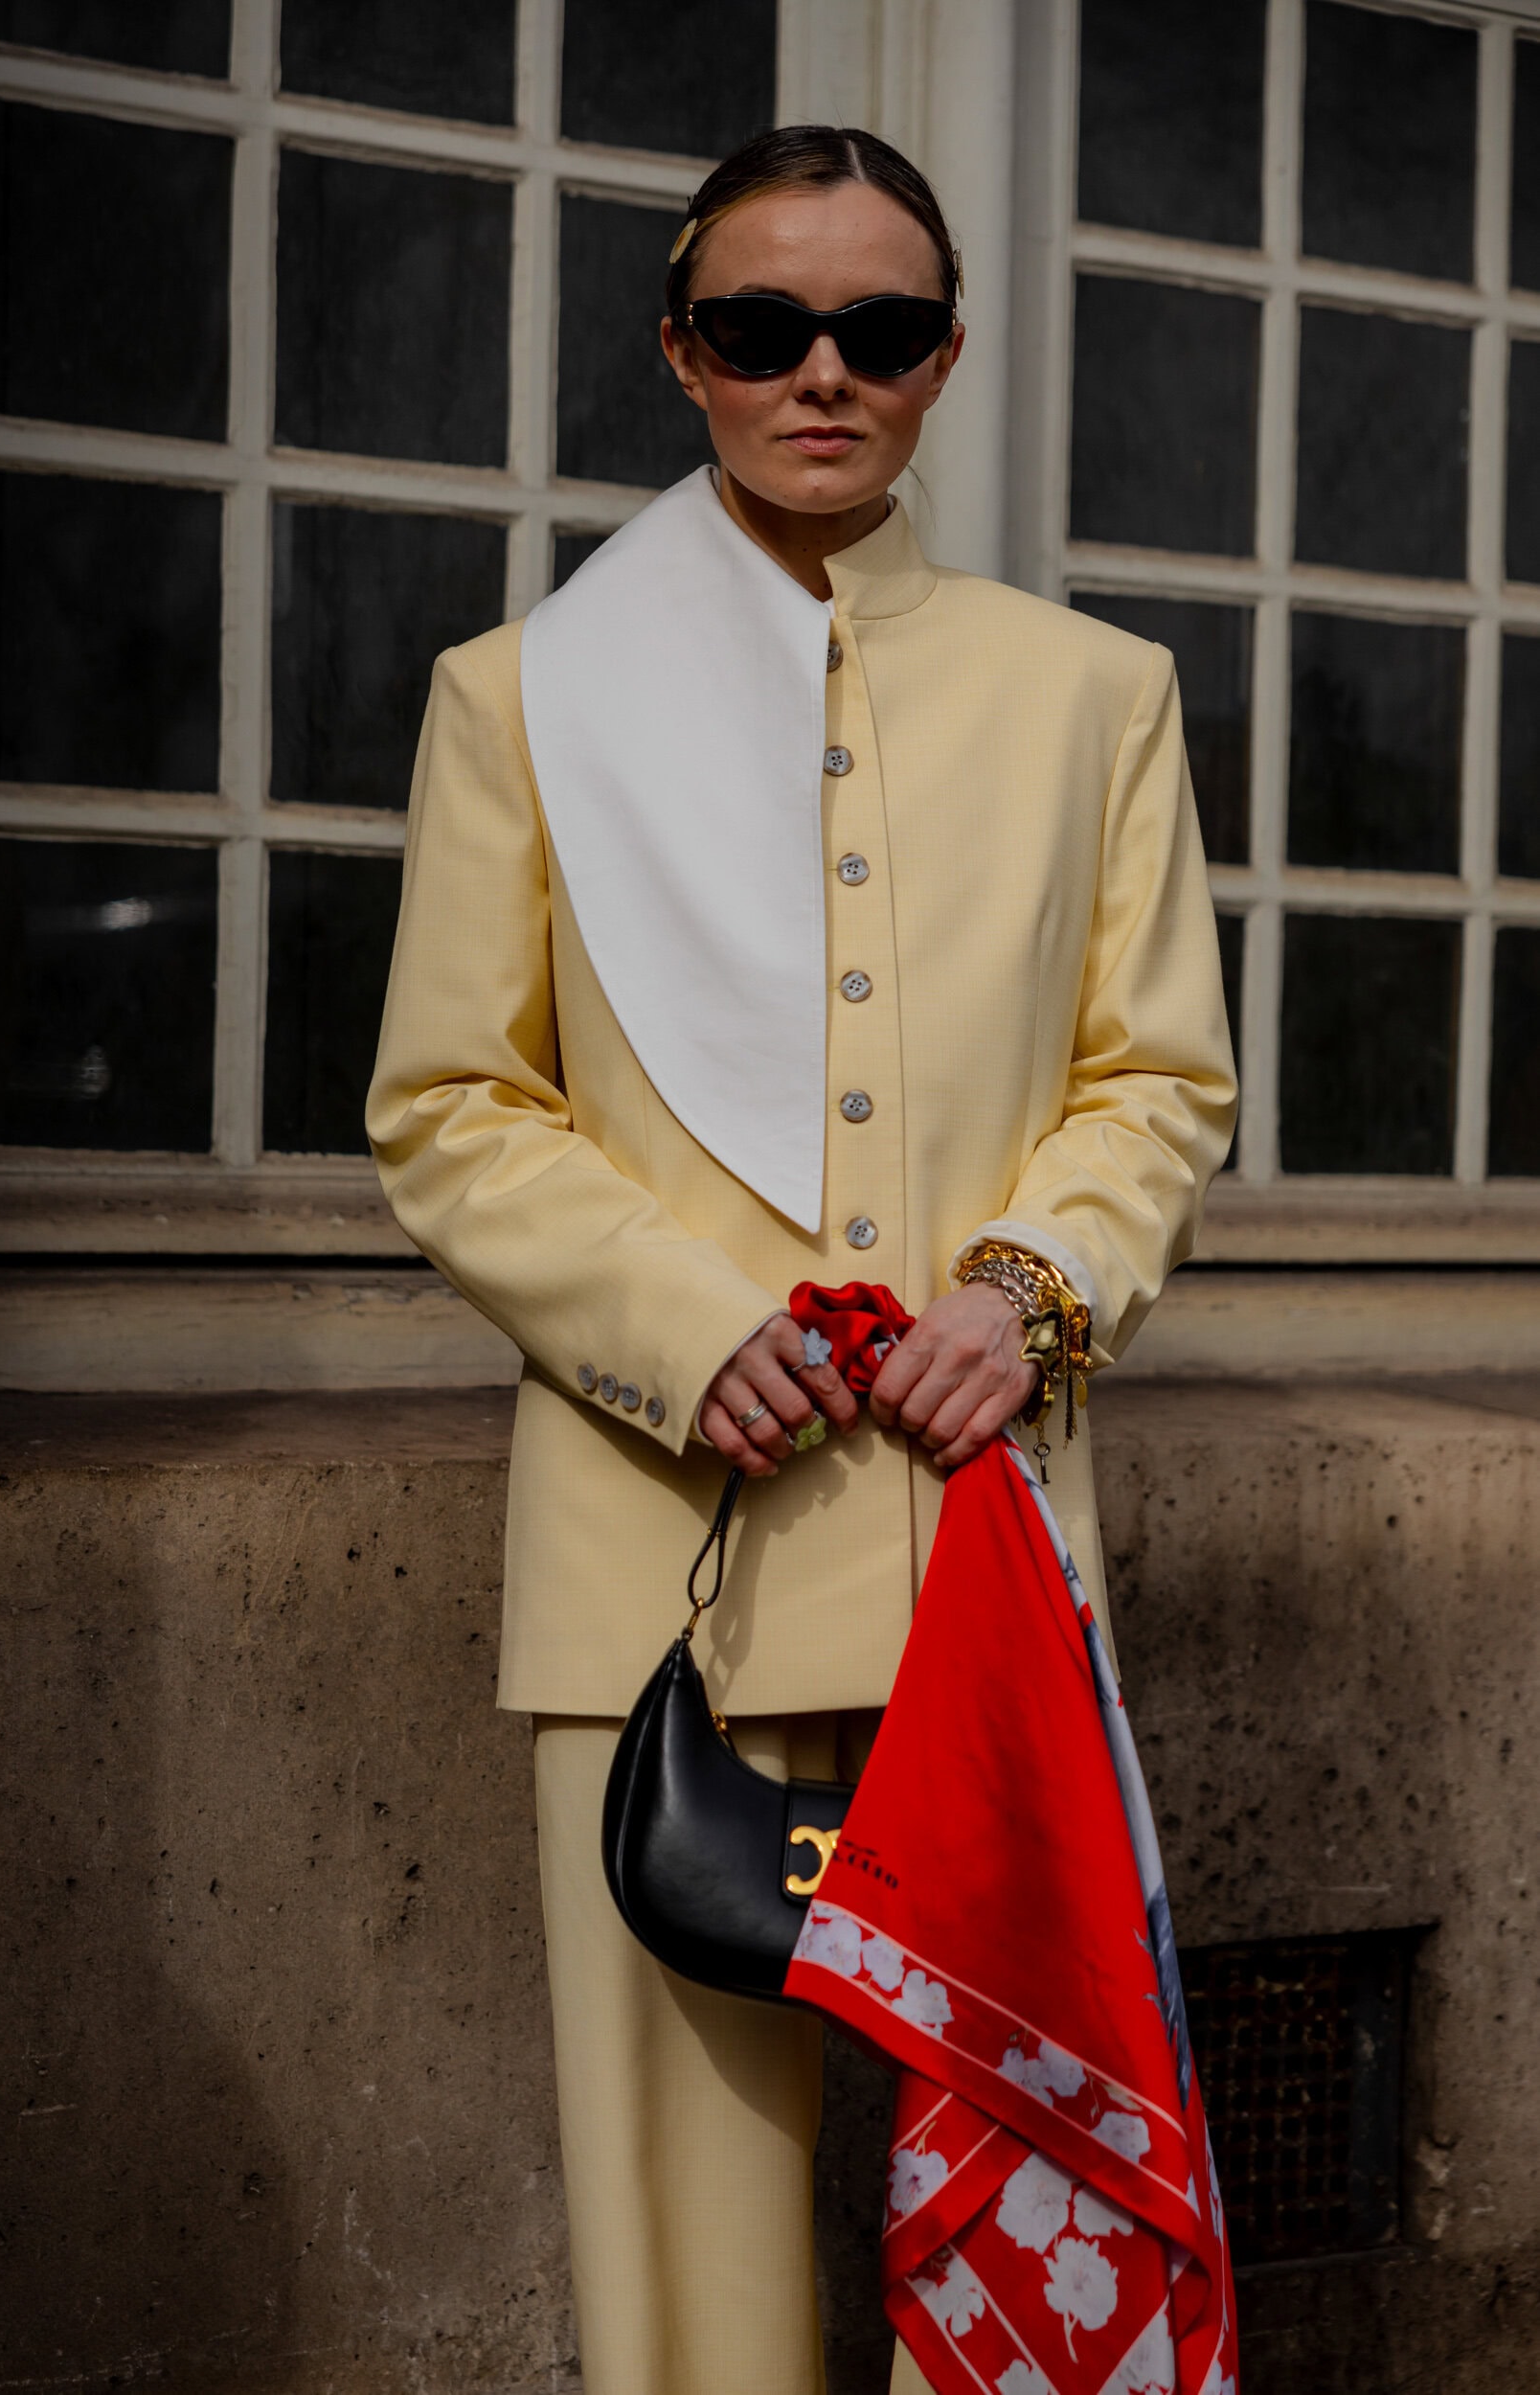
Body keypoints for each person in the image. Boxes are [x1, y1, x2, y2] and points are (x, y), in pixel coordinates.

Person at [368, 122, 1235, 2395]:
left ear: (946, 356)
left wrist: (1025, 1290)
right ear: (684, 351)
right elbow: (452, 1100)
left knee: (1042, 2179)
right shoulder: (518, 696)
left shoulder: (1097, 696)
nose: (820, 373)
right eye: (763, 327)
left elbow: (1156, 1081)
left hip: (984, 1540)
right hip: (664, 1553)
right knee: (688, 2255)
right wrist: (685, 1329)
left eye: (880, 327)